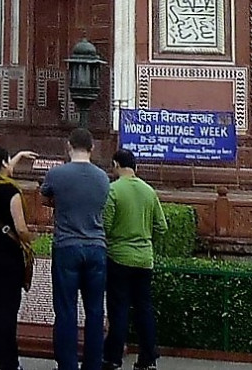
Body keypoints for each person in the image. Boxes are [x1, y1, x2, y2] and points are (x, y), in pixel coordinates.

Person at [42, 126, 110, 370]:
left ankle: (67, 364)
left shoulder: (57, 174)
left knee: (66, 309)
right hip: (96, 246)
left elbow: (44, 197)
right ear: (92, 148)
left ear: (68, 146)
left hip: (67, 245)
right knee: (94, 311)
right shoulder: (103, 178)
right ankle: (93, 364)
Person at [0, 145, 38, 370]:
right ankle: (9, 362)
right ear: (3, 163)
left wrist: (20, 156)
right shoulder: (11, 193)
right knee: (8, 310)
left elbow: (3, 169)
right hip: (7, 255)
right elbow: (20, 229)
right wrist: (33, 239)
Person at [102, 148, 162, 370]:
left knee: (119, 310)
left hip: (118, 257)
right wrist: (144, 238)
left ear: (116, 164)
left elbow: (105, 227)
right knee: (144, 309)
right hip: (145, 259)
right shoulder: (149, 191)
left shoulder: (113, 191)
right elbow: (161, 226)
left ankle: (113, 359)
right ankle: (148, 359)